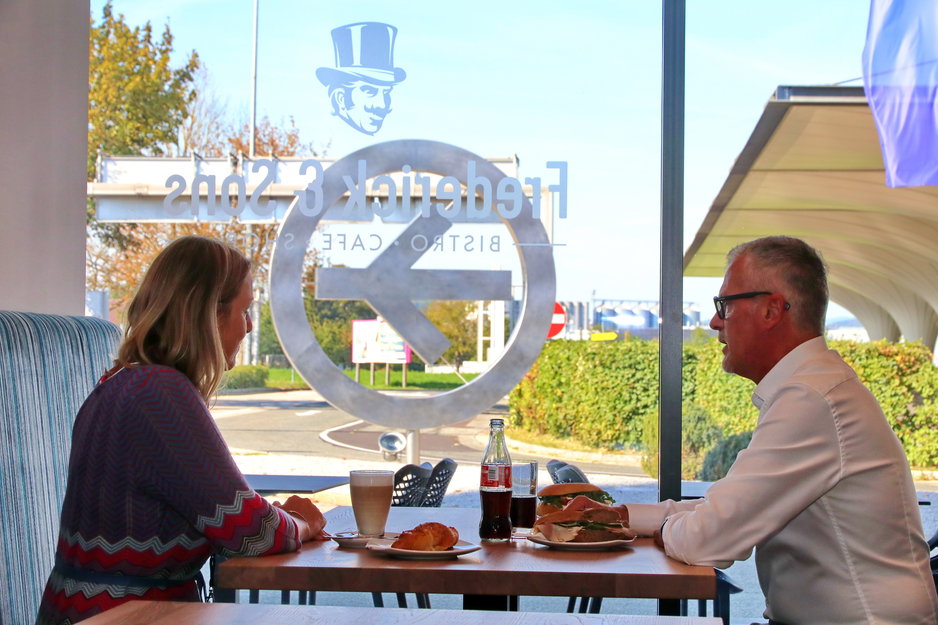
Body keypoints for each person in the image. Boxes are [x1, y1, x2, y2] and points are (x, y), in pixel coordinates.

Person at [570, 236, 938, 624]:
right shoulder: (814, 387)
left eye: (725, 305)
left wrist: (660, 526)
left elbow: (706, 539)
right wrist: (619, 516)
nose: (714, 321)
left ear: (771, 310)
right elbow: (727, 509)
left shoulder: (811, 398)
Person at [35, 236, 328, 625]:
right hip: (124, 615)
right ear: (210, 315)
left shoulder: (123, 381)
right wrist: (304, 522)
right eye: (245, 311)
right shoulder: (160, 393)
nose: (249, 326)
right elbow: (250, 531)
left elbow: (221, 512)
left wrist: (272, 517)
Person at [315, 22, 406, 136]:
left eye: (386, 92)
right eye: (370, 92)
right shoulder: (325, 136)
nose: (382, 105)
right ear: (340, 98)